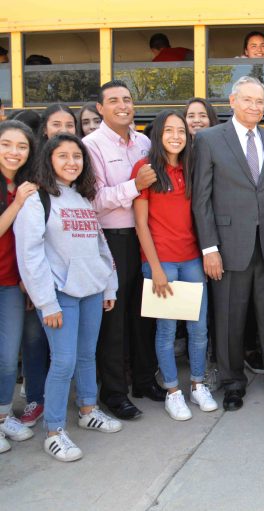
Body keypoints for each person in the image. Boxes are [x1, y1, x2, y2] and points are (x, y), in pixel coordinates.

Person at [15, 133, 123, 462]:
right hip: (61, 296)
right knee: (63, 362)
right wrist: (47, 303)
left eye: (77, 156)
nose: (71, 162)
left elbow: (99, 247)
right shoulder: (38, 200)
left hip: (91, 290)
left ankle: (88, 409)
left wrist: (109, 285)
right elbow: (29, 256)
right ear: (49, 160)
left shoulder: (81, 197)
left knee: (87, 355)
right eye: (63, 156)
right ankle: (54, 430)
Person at [192, 76, 264, 411]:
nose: (255, 107)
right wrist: (209, 248)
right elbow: (201, 200)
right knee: (228, 319)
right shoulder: (209, 139)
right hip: (226, 245)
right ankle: (232, 382)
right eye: (248, 100)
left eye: (261, 102)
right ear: (232, 101)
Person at [84, 80, 163, 421]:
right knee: (113, 318)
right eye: (113, 100)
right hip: (111, 239)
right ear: (100, 108)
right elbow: (94, 200)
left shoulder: (144, 141)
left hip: (145, 236)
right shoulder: (91, 146)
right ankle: (114, 393)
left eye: (127, 99)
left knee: (143, 314)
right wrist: (135, 186)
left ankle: (144, 380)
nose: (122, 105)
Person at [132, 111, 217, 421]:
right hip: (162, 261)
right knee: (166, 331)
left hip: (192, 258)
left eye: (181, 130)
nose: (176, 136)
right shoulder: (146, 169)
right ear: (158, 134)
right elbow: (141, 224)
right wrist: (154, 268)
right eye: (169, 130)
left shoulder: (191, 167)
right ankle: (172, 390)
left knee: (199, 328)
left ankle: (196, 384)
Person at [0, 120, 39, 454]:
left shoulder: (28, 184)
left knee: (9, 358)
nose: (14, 152)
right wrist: (17, 203)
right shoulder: (18, 193)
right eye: (6, 144)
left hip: (12, 283)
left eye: (22, 146)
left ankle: (2, 417)